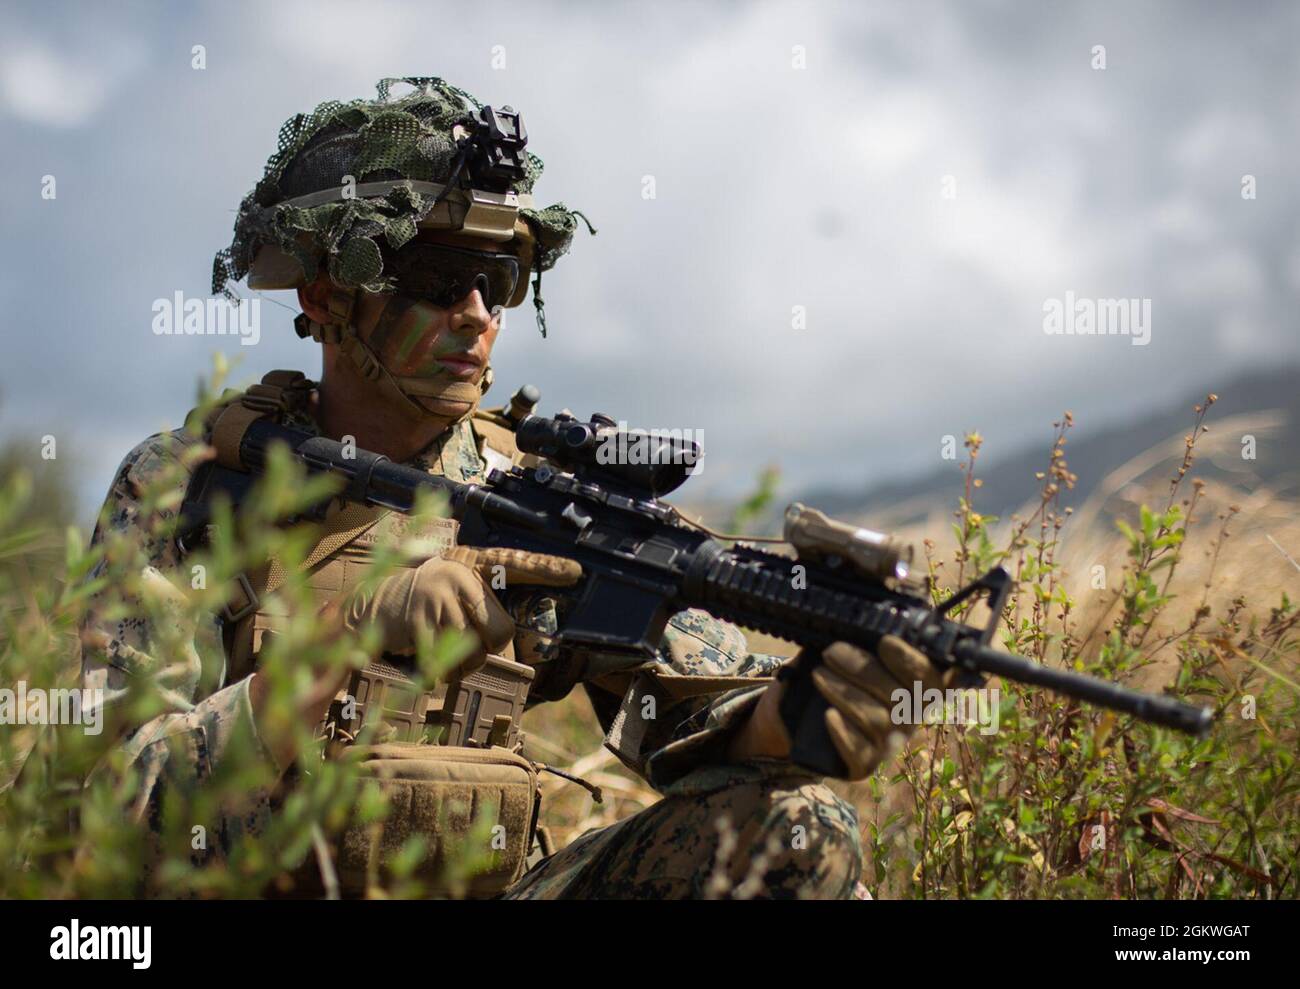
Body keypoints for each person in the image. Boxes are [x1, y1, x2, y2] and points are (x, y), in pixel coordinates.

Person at [81, 77, 947, 899]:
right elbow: (97, 820)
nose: (475, 313)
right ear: (326, 292)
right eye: (435, 278)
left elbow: (690, 717)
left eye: (498, 281)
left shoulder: (533, 498)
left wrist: (807, 711)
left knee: (802, 826)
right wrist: (347, 641)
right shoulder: (194, 485)